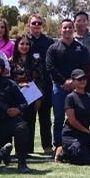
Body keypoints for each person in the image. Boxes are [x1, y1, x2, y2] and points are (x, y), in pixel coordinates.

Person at [46, 19, 90, 154]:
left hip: (78, 89)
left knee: (79, 117)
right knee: (59, 117)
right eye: (64, 28)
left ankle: (80, 142)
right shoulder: (53, 48)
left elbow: (85, 67)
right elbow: (50, 67)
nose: (67, 30)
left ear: (74, 30)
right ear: (60, 30)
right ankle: (59, 145)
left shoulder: (81, 49)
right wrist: (64, 82)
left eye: (70, 27)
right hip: (59, 87)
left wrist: (74, 82)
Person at [60, 69, 90, 165]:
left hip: (85, 135)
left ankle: (85, 151)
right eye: (79, 79)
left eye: (84, 78)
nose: (82, 81)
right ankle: (63, 153)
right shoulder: (70, 98)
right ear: (73, 81)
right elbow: (72, 121)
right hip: (72, 134)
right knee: (85, 160)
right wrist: (87, 131)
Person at [27, 14, 56, 155]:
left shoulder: (49, 42)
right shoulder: (25, 41)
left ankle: (47, 146)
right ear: (29, 25)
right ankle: (28, 147)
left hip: (46, 84)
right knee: (29, 117)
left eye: (39, 23)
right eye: (34, 23)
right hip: (30, 85)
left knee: (45, 117)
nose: (36, 25)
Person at [10, 34, 43, 153]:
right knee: (17, 123)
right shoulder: (11, 61)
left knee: (30, 122)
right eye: (22, 44)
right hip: (16, 98)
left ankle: (28, 150)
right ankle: (18, 150)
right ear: (17, 45)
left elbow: (40, 80)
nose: (25, 46)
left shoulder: (35, 61)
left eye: (27, 44)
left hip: (32, 97)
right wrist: (19, 85)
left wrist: (39, 99)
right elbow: (9, 81)